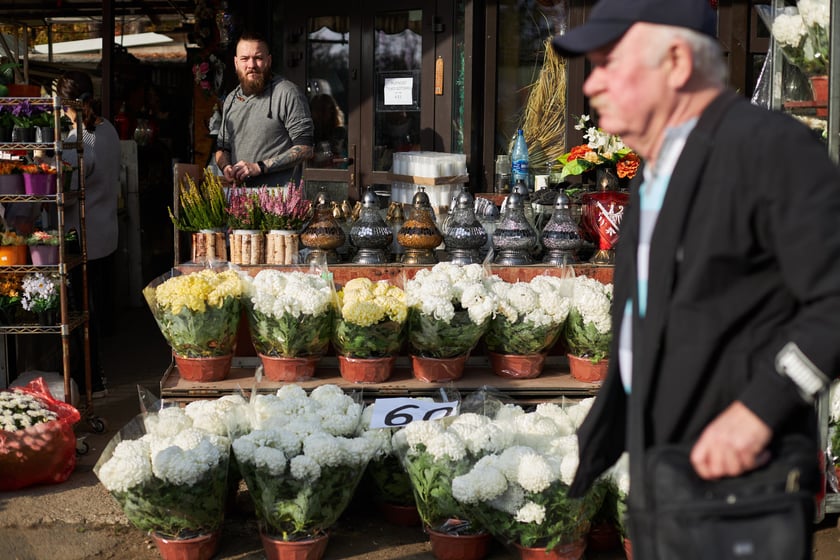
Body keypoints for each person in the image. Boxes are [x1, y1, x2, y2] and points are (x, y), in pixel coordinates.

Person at [552, 0, 840, 556]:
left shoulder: (768, 148)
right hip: (664, 475)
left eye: (611, 61)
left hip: (743, 486)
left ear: (678, 61)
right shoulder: (655, 170)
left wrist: (760, 411)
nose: (594, 84)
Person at [56, 70, 121, 399]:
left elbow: (65, 190)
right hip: (107, 230)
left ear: (65, 102)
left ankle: (92, 382)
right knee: (97, 306)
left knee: (84, 313)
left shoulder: (79, 139)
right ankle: (98, 377)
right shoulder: (107, 129)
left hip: (84, 236)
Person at [215, 31, 314, 186]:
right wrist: (226, 167)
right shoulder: (231, 100)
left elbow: (305, 149)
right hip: (240, 200)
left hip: (279, 203)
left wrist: (259, 167)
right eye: (244, 59)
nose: (251, 65)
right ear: (236, 63)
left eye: (258, 58)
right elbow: (222, 148)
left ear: (269, 60)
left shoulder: (287, 93)